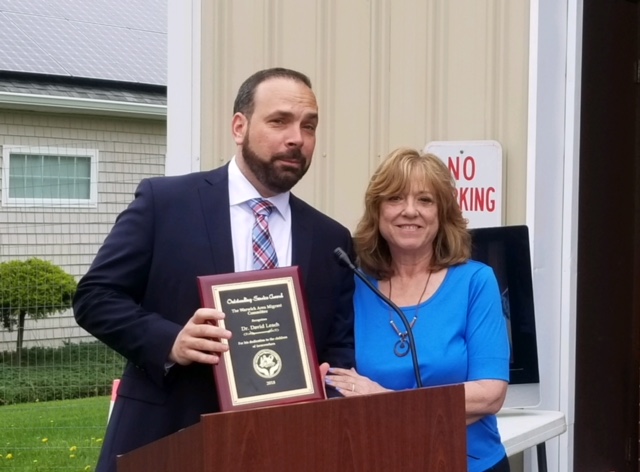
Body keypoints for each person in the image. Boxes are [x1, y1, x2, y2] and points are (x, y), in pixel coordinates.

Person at [73, 67, 355, 472]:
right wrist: (171, 341)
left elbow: (339, 345)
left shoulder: (331, 238)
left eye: (309, 126)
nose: (297, 138)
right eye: (279, 121)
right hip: (167, 437)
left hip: (284, 447)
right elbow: (95, 297)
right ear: (239, 127)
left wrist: (328, 381)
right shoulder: (165, 203)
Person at [325, 147, 511, 472]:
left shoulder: (475, 282)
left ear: (442, 213)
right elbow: (339, 386)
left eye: (425, 200)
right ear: (377, 211)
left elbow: (489, 393)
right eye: (395, 198)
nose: (410, 211)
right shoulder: (353, 285)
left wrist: (385, 401)